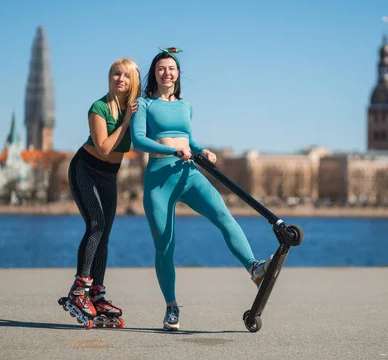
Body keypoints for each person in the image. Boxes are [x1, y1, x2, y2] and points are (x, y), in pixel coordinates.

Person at [131, 47, 271, 331]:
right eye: (161, 68)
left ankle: (254, 269)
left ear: (178, 73)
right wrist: (172, 151)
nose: (166, 72)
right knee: (165, 246)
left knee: (223, 215)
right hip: (159, 179)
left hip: (189, 174)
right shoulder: (143, 104)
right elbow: (139, 141)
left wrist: (202, 150)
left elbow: (188, 140)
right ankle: (171, 307)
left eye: (171, 68)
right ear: (154, 74)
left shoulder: (186, 106)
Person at [64, 57, 141, 325]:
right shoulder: (99, 108)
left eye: (126, 75)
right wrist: (127, 121)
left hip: (110, 175)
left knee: (105, 233)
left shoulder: (136, 108)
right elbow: (105, 148)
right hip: (85, 169)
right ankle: (79, 289)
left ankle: (96, 293)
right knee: (95, 224)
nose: (120, 79)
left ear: (134, 80)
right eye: (115, 74)